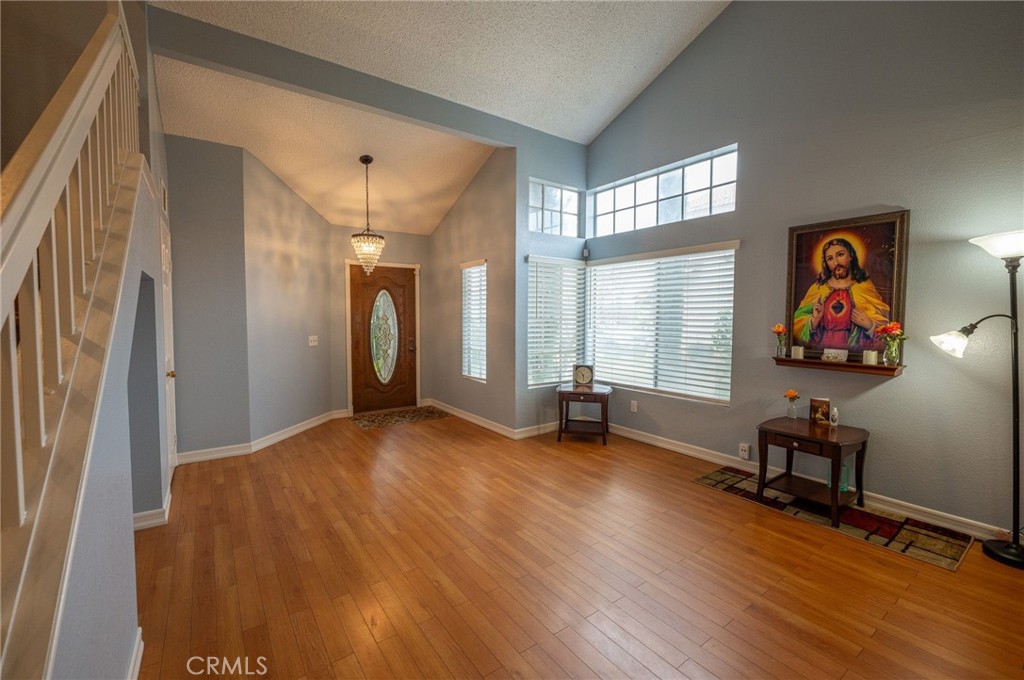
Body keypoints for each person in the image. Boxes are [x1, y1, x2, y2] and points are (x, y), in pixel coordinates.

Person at [792, 237, 889, 350]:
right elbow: (797, 324)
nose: (836, 262)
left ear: (851, 256)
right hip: (822, 348)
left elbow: (884, 325)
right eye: (830, 259)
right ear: (826, 263)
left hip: (854, 350)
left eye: (840, 255)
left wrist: (870, 325)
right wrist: (814, 320)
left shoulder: (864, 286)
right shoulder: (818, 288)